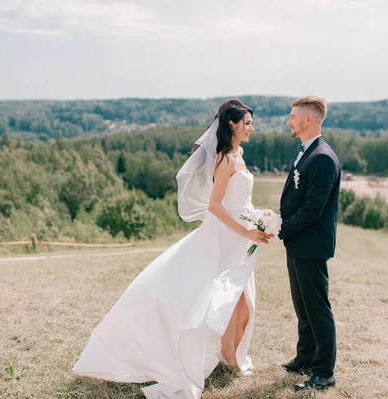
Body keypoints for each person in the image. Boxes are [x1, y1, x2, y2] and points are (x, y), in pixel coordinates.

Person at [72, 99, 271, 399]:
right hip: (224, 238)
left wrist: (259, 218)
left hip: (241, 237)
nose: (251, 128)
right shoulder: (224, 160)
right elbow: (215, 206)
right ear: (232, 124)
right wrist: (244, 228)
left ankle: (231, 356)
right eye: (247, 123)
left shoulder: (239, 154)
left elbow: (239, 201)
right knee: (218, 297)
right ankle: (211, 355)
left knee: (240, 299)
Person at [278, 96, 341, 391]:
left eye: (292, 116)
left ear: (308, 120)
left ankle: (324, 372)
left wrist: (281, 228)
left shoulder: (323, 157)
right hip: (298, 243)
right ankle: (305, 357)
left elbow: (313, 210)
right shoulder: (307, 152)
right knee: (302, 306)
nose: (288, 121)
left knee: (317, 309)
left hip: (311, 245)